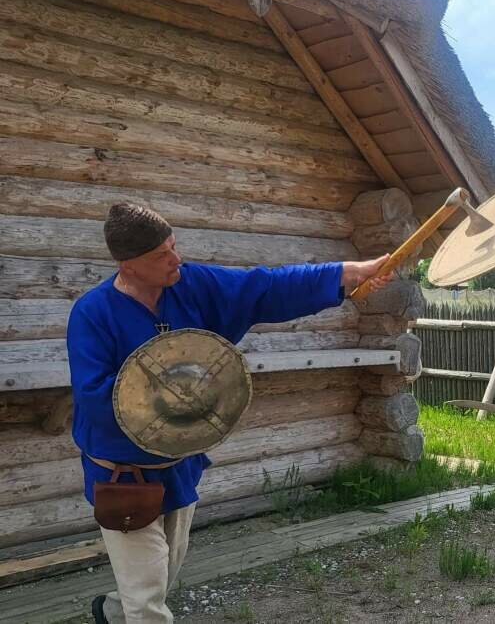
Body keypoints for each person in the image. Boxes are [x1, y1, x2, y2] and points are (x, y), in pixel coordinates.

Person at [67, 203, 394, 624]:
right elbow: (95, 399)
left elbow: (264, 288)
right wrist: (159, 389)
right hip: (123, 475)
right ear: (127, 265)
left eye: (174, 246)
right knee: (148, 602)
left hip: (178, 467)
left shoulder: (191, 285)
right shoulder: (92, 314)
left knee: (161, 574)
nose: (175, 260)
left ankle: (111, 612)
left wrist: (348, 273)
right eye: (161, 256)